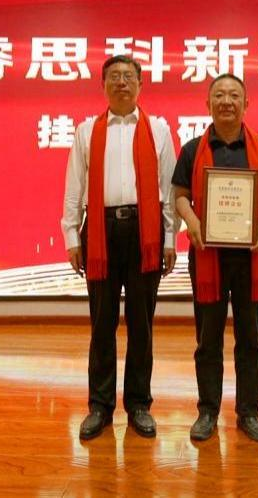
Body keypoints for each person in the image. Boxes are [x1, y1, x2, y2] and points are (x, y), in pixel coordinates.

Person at [61, 55, 178, 440]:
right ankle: (100, 405)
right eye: (114, 77)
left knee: (141, 324)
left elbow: (169, 190)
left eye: (129, 76)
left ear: (141, 84)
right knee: (102, 323)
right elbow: (75, 187)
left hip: (146, 232)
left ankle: (139, 405)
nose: (122, 82)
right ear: (103, 85)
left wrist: (170, 238)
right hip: (100, 231)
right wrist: (72, 237)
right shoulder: (87, 131)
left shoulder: (158, 130)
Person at [171, 74, 258, 443]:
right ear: (208, 104)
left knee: (250, 338)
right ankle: (208, 411)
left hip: (251, 257)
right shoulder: (193, 149)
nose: (226, 101)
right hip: (208, 256)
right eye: (219, 95)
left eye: (234, 95)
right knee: (208, 339)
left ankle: (249, 412)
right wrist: (193, 223)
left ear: (246, 104)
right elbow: (180, 195)